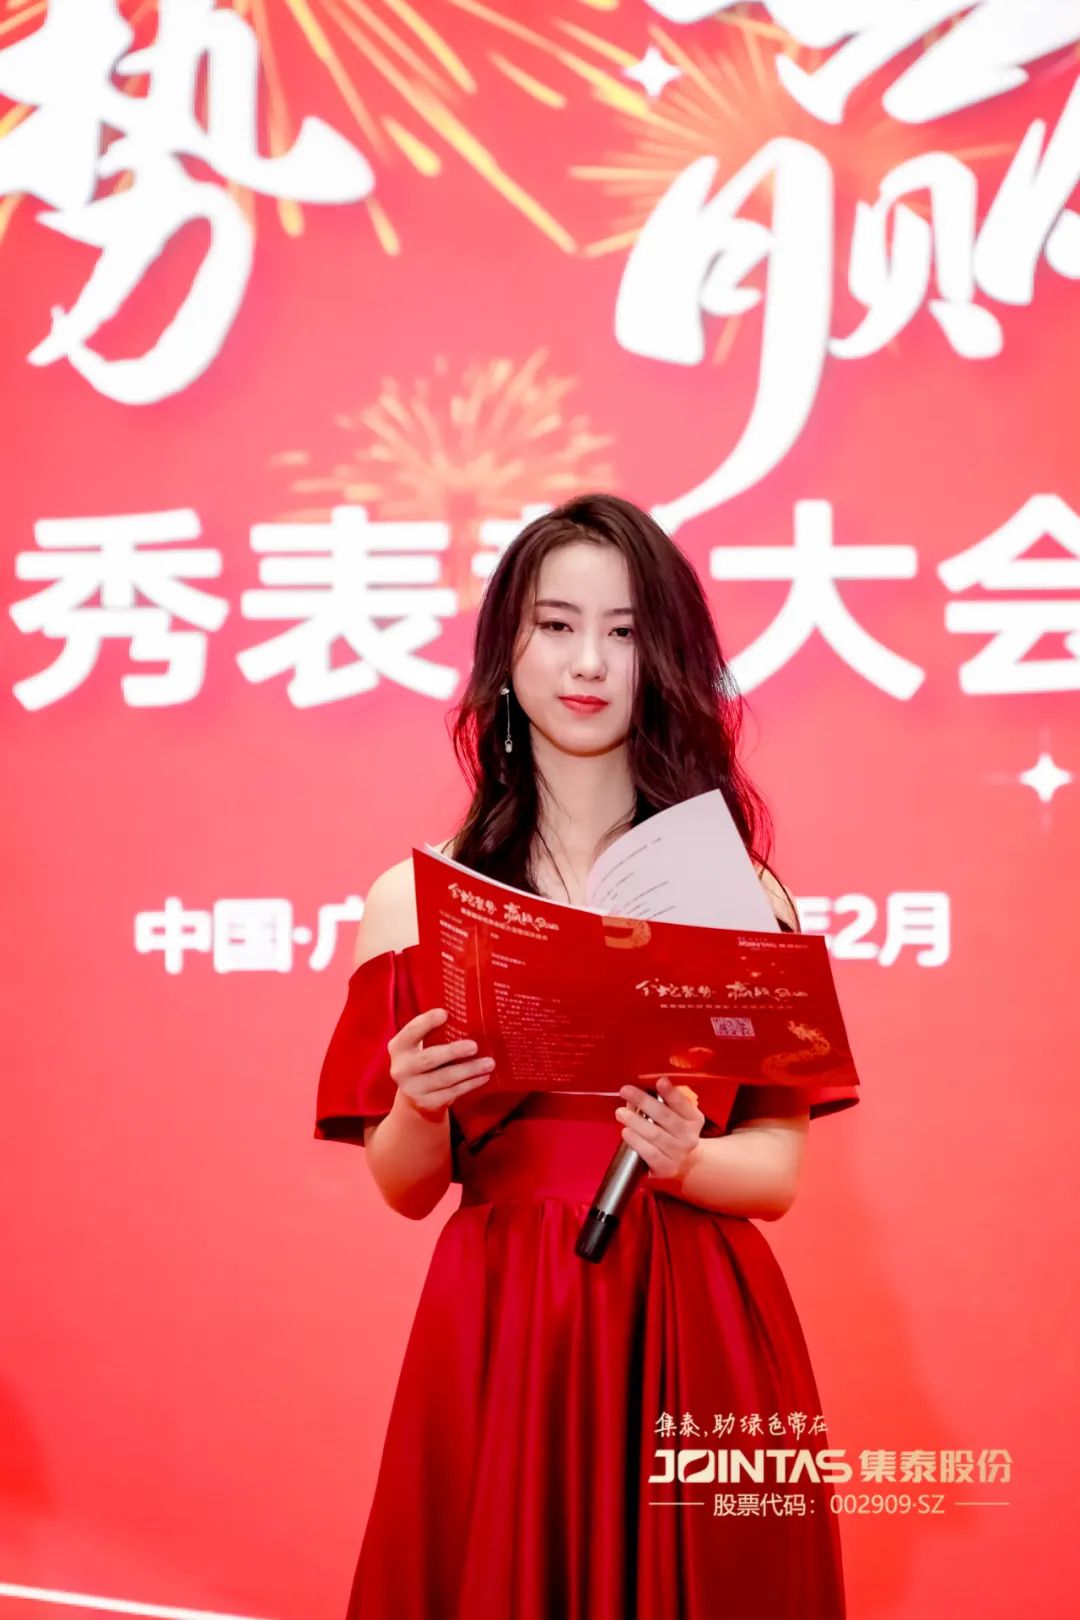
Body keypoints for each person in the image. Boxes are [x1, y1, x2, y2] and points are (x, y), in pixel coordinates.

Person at [314, 493, 858, 1618]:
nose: (589, 662)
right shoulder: (413, 898)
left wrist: (685, 1160)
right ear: (505, 651)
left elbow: (777, 1172)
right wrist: (417, 1104)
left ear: (667, 660)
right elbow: (404, 1186)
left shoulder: (745, 894)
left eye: (624, 632)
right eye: (557, 626)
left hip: (694, 1319)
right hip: (504, 1316)